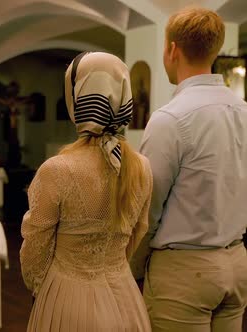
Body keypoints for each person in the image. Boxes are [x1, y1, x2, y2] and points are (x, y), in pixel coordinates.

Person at [130, 7, 247, 331]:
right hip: (236, 261)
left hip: (185, 271)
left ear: (172, 49)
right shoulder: (243, 111)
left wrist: (133, 268)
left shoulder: (171, 118)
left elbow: (147, 207)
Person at [20, 52, 152, 331]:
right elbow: (138, 232)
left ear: (76, 98)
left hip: (68, 299)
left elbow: (35, 248)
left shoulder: (57, 169)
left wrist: (41, 289)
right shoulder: (142, 167)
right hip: (124, 295)